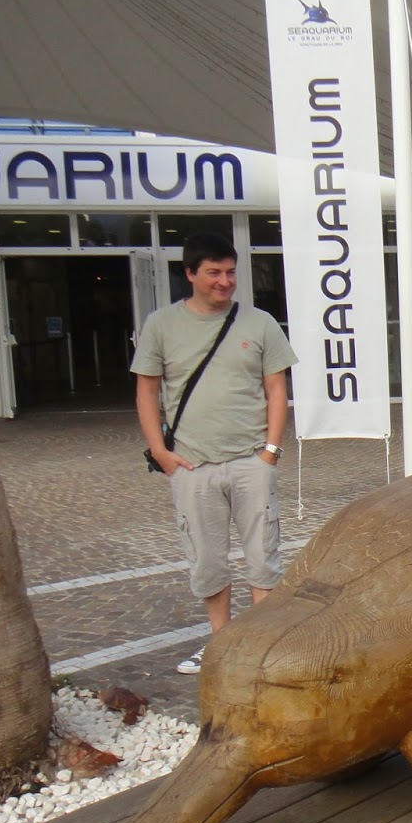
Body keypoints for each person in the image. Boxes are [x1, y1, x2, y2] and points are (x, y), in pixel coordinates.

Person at [132, 231, 298, 673]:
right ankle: (222, 645)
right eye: (213, 273)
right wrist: (160, 453)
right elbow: (146, 391)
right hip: (192, 463)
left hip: (251, 460)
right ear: (190, 274)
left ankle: (260, 646)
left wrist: (271, 450)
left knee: (263, 556)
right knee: (206, 560)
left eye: (230, 272)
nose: (224, 281)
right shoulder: (161, 325)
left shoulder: (259, 322)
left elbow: (276, 388)